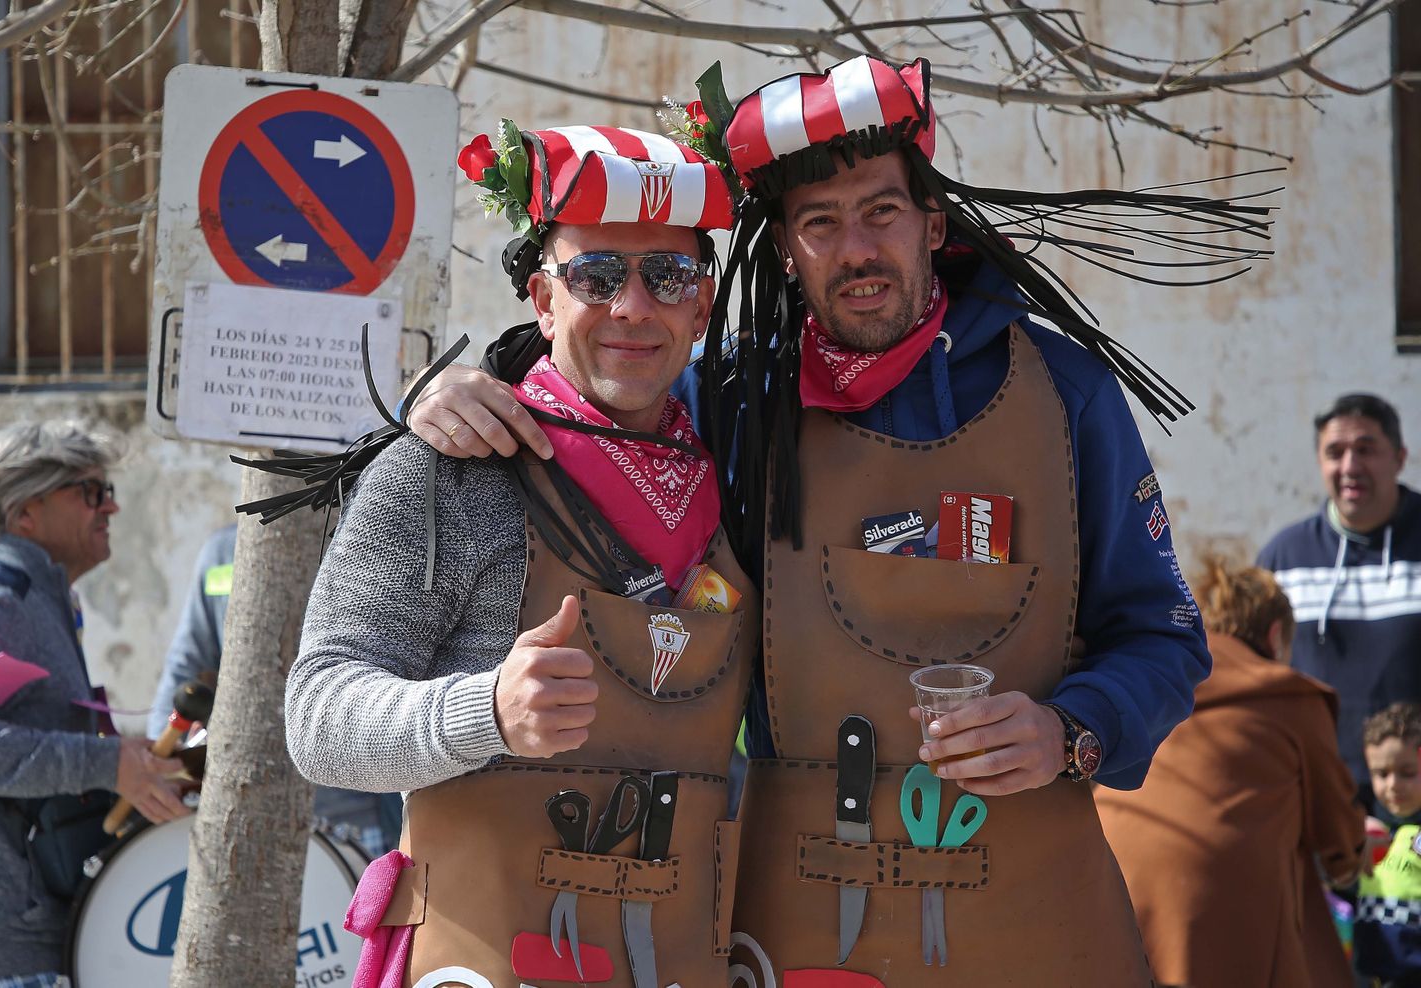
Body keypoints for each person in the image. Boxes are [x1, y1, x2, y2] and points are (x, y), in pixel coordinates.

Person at [408, 56, 1270, 982]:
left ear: (933, 226)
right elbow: (602, 393)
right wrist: (464, 388)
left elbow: (1165, 634)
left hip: (1038, 915)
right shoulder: (733, 404)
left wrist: (1072, 731)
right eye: (820, 223)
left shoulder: (1067, 398)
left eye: (882, 213)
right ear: (784, 249)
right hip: (803, 923)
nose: (856, 248)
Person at [281, 120, 751, 986]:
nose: (633, 307)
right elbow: (318, 719)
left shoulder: (746, 464)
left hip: (681, 957)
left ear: (704, 301)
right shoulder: (448, 471)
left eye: (668, 274)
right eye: (596, 275)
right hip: (486, 959)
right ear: (542, 297)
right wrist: (486, 712)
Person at [0, 421, 188, 987]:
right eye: (91, 492)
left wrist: (125, 763)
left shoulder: (35, 599)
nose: (110, 508)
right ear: (26, 512)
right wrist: (102, 764)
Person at [1095, 557, 1364, 988]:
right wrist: (1352, 858)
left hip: (1112, 870)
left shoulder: (1157, 677)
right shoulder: (1289, 696)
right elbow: (1334, 825)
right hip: (1216, 898)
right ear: (1275, 636)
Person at [148, 523, 401, 853]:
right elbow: (182, 668)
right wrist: (163, 766)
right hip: (253, 816)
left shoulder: (363, 533)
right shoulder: (223, 551)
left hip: (355, 820)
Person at [1259, 393, 1420, 809]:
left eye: (1366, 450)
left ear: (1400, 457)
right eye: (1336, 452)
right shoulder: (1284, 558)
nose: (1350, 466)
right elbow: (1253, 673)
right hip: (1317, 800)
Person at [1355, 702, 1421, 984]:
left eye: (1407, 772)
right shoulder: (1363, 830)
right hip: (1375, 975)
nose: (1393, 784)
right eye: (1381, 774)